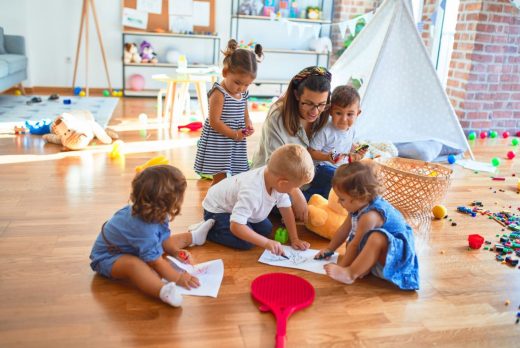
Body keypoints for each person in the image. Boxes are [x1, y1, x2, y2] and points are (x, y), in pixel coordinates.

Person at [90, 165, 216, 307]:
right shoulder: (144, 229)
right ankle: (163, 291)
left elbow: (164, 239)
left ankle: (193, 237)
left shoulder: (157, 212)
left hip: (134, 247)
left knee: (163, 241)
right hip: (108, 257)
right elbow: (155, 262)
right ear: (169, 201)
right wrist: (179, 277)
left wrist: (175, 252)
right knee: (135, 265)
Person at [315, 162, 419, 290]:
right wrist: (330, 249)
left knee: (377, 237)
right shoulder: (357, 207)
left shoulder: (370, 216)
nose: (338, 202)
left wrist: (342, 268)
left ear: (359, 197)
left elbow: (356, 244)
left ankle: (351, 274)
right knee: (362, 241)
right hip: (380, 257)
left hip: (396, 261)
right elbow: (344, 229)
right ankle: (364, 266)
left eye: (342, 199)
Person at [251, 66, 332, 221]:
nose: (315, 111)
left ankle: (307, 209)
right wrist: (296, 193)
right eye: (308, 103)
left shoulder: (324, 112)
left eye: (321, 104)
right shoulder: (277, 117)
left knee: (340, 179)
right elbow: (273, 167)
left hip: (306, 180)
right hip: (277, 182)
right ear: (296, 95)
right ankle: (303, 209)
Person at [203, 144, 314, 254]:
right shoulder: (252, 191)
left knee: (266, 229)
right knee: (245, 243)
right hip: (216, 210)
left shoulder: (274, 177)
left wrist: (294, 238)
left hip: (234, 207)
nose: (295, 190)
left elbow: (286, 208)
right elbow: (236, 226)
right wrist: (266, 243)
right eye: (295, 187)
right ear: (282, 183)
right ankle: (207, 230)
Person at [194, 39, 263, 186]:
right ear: (225, 72)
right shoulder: (219, 93)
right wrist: (234, 134)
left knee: (237, 176)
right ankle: (212, 205)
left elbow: (244, 109)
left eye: (247, 84)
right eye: (238, 82)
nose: (241, 88)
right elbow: (214, 122)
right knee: (220, 179)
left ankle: (227, 200)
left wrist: (247, 122)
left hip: (235, 141)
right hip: (218, 141)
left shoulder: (243, 93)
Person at [306, 85, 367, 199]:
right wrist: (326, 157)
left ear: (358, 113)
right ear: (330, 111)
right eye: (338, 113)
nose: (344, 119)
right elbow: (311, 151)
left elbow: (348, 145)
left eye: (349, 114)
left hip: (340, 167)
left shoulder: (352, 129)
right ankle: (311, 199)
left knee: (360, 175)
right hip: (322, 167)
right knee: (335, 179)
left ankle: (336, 200)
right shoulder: (326, 130)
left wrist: (357, 151)